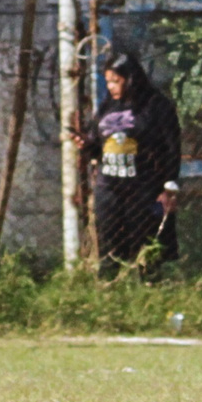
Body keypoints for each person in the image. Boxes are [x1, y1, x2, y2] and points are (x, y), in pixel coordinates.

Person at [77, 49, 181, 274]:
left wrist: (169, 186)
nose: (111, 87)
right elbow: (98, 147)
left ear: (131, 78)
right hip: (110, 188)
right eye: (108, 82)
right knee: (109, 246)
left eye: (116, 81)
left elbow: (172, 147)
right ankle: (110, 288)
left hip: (143, 187)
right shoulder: (107, 106)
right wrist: (86, 145)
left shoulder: (155, 106)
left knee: (147, 247)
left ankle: (149, 288)